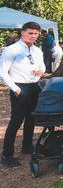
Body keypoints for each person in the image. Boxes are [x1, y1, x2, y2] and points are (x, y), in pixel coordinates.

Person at [0, 22, 45, 167]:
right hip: (20, 87)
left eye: (35, 33)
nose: (33, 36)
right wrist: (15, 88)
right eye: (30, 33)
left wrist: (41, 71)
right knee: (16, 121)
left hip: (34, 86)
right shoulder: (11, 50)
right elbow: (2, 73)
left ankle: (27, 146)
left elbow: (42, 65)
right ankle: (7, 155)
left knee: (31, 118)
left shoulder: (37, 50)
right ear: (23, 33)